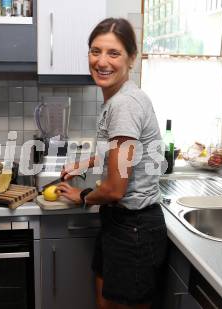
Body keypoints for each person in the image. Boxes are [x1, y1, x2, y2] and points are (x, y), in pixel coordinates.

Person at [58, 18, 167, 309]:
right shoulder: (120, 98)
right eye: (96, 51)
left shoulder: (124, 105)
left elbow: (116, 189)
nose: (102, 61)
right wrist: (87, 164)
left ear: (131, 58)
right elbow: (123, 154)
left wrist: (82, 196)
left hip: (134, 228)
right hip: (122, 224)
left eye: (113, 53)